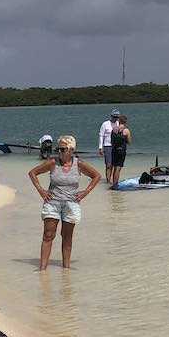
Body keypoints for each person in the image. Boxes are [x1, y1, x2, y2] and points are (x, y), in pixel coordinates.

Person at [27, 134, 101, 271]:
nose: (59, 152)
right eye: (58, 149)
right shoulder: (52, 163)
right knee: (48, 235)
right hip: (52, 202)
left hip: (71, 204)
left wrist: (85, 192)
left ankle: (65, 270)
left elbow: (96, 176)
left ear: (71, 150)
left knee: (67, 237)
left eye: (62, 149)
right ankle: (42, 269)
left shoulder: (79, 164)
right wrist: (41, 191)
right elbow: (32, 173)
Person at [108, 114, 132, 185]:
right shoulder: (126, 130)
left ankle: (113, 183)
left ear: (119, 121)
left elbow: (111, 141)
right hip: (121, 150)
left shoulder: (114, 129)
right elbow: (129, 142)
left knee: (114, 167)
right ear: (125, 122)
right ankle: (116, 184)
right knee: (118, 168)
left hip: (114, 150)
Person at [98, 109, 120, 176]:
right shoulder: (105, 124)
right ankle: (108, 180)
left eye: (116, 117)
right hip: (107, 146)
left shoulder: (118, 124)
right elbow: (101, 135)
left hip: (116, 146)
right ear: (111, 116)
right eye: (114, 117)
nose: (115, 118)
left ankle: (113, 181)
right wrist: (100, 147)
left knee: (114, 165)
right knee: (108, 165)